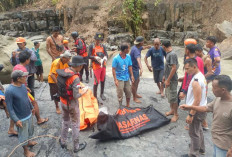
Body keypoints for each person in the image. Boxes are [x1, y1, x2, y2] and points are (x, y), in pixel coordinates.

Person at [180, 75, 232, 157]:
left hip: (225, 147)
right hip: (216, 142)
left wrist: (231, 149)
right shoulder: (218, 99)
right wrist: (190, 107)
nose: (212, 90)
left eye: (214, 87)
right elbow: (205, 108)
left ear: (223, 90)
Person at [58, 55, 87, 153]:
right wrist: (83, 92)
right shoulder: (75, 78)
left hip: (62, 101)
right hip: (71, 104)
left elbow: (67, 87)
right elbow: (76, 96)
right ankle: (76, 147)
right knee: (75, 124)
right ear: (78, 66)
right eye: (82, 66)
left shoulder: (65, 71)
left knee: (65, 121)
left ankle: (63, 141)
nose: (82, 67)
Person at [5, 70, 37, 157]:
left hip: (29, 114)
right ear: (18, 79)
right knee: (23, 135)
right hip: (21, 118)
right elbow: (10, 108)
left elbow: (26, 98)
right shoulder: (9, 91)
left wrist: (31, 107)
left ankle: (29, 141)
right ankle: (26, 151)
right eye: (24, 77)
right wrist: (16, 120)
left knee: (30, 130)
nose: (26, 78)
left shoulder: (23, 86)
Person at [179, 58, 207, 157]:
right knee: (198, 129)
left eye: (187, 69)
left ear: (194, 67)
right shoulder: (200, 76)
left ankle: (193, 154)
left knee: (194, 133)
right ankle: (201, 149)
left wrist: (191, 114)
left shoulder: (196, 81)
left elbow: (197, 100)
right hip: (202, 108)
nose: (186, 71)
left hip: (197, 110)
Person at [14, 52, 49, 125]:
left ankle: (11, 128)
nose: (30, 60)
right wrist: (25, 88)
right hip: (21, 89)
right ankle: (39, 119)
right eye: (29, 59)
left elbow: (15, 79)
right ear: (27, 60)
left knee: (15, 107)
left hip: (15, 88)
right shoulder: (24, 70)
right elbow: (22, 81)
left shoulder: (16, 66)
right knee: (34, 102)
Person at [162, 40, 179, 122]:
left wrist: (168, 80)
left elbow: (174, 68)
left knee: (173, 97)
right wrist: (164, 77)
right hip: (168, 79)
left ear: (164, 47)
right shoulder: (168, 54)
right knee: (169, 96)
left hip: (172, 80)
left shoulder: (172, 54)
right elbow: (168, 67)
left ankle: (176, 114)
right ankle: (172, 110)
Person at [130, 36, 150, 103]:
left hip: (135, 67)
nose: (144, 42)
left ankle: (135, 93)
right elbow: (138, 59)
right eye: (143, 41)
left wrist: (147, 47)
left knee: (137, 81)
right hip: (133, 68)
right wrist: (141, 68)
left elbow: (142, 48)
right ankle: (134, 97)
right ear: (141, 43)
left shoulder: (138, 47)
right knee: (134, 83)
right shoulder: (135, 50)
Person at [88, 32, 108, 100]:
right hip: (96, 66)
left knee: (103, 80)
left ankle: (102, 94)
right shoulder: (92, 46)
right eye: (97, 39)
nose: (98, 41)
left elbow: (106, 54)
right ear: (95, 39)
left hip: (103, 65)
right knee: (96, 82)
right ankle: (95, 96)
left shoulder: (103, 46)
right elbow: (89, 56)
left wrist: (105, 58)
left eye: (99, 40)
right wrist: (95, 57)